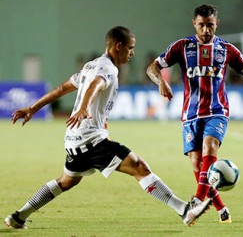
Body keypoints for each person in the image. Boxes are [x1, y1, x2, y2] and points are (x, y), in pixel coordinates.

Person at [4, 26, 212, 230]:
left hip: (73, 140)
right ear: (118, 46)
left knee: (67, 181)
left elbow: (61, 88)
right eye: (130, 48)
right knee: (139, 167)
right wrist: (83, 107)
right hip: (91, 139)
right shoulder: (108, 70)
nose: (132, 53)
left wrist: (33, 108)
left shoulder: (90, 65)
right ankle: (185, 210)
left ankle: (18, 216)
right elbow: (97, 84)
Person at [146, 4, 243, 223]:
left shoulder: (226, 49)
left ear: (217, 24)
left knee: (210, 147)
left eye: (210, 25)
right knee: (198, 167)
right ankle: (221, 209)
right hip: (190, 115)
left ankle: (196, 202)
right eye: (202, 25)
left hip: (217, 111)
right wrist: (160, 82)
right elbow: (152, 67)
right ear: (194, 24)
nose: (206, 30)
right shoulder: (182, 46)